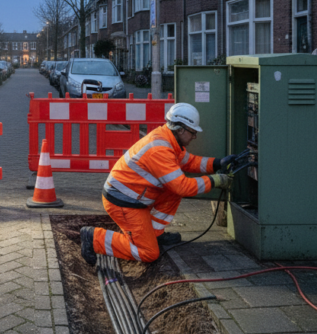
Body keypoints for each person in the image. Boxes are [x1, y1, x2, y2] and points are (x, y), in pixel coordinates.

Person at [80, 103, 236, 265]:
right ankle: (94, 238)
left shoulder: (168, 140)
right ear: (181, 129)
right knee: (149, 252)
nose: (194, 137)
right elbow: (183, 187)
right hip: (124, 203)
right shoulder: (160, 149)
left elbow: (189, 161)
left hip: (132, 197)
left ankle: (155, 233)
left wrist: (217, 163)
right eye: (193, 132)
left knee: (173, 190)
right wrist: (216, 180)